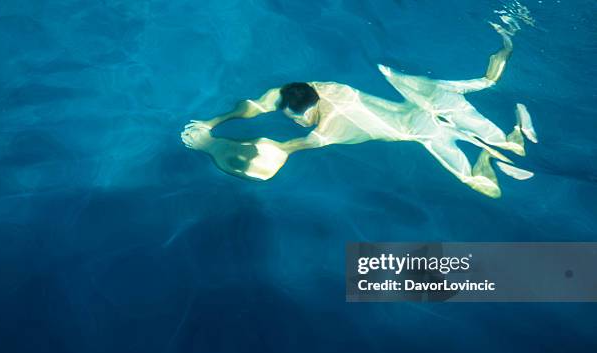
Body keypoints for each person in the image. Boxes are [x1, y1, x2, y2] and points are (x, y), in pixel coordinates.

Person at [181, 22, 537, 198]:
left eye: (287, 114)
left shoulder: (325, 132)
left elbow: (276, 155)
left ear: (300, 114)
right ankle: (507, 46)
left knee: (485, 188)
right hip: (429, 100)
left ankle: (487, 158)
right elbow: (261, 102)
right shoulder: (324, 89)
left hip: (423, 131)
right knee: (488, 91)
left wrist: (208, 145)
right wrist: (217, 120)